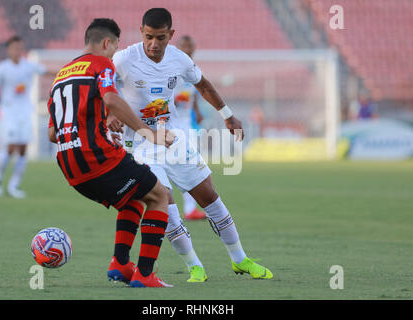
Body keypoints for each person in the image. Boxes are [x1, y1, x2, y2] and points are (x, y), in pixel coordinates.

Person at [111, 8, 273, 282]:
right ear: (141, 32)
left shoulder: (179, 59)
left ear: (170, 35)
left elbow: (204, 85)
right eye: (149, 36)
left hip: (173, 138)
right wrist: (110, 113)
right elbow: (101, 87)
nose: (153, 44)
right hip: (139, 146)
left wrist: (227, 115)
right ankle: (194, 266)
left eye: (160, 37)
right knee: (163, 201)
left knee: (208, 195)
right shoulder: (124, 59)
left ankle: (240, 259)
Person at [47, 18, 175, 288]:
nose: (114, 54)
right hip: (96, 159)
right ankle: (144, 274)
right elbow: (111, 99)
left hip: (71, 169)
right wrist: (148, 133)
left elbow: (52, 133)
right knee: (160, 195)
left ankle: (119, 264)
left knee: (132, 199)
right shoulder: (101, 64)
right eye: (115, 48)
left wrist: (101, 130)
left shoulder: (61, 75)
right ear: (107, 43)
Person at [0, 36, 52, 198]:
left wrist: (68, 73)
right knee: (10, 148)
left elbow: (47, 72)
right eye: (14, 48)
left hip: (25, 112)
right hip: (9, 112)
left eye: (19, 48)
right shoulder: (2, 68)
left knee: (23, 150)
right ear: (8, 50)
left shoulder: (28, 66)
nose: (17, 51)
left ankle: (13, 185)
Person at [173, 35, 206, 220]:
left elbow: (193, 92)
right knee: (184, 165)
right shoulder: (172, 69)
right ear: (177, 48)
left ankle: (190, 209)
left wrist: (197, 110)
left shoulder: (193, 69)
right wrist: (174, 101)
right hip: (172, 123)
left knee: (191, 164)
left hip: (187, 123)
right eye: (184, 45)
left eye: (190, 45)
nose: (188, 48)